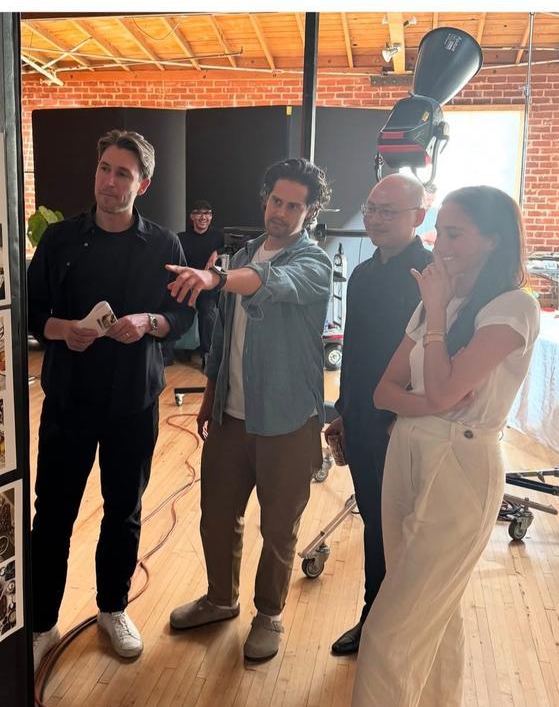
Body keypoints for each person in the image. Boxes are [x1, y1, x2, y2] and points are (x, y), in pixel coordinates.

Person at [340, 185, 540, 707]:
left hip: (462, 466)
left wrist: (431, 324)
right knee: (437, 610)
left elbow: (448, 390)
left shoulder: (513, 307)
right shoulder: (444, 301)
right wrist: (429, 394)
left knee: (389, 629)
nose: (440, 244)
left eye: (454, 233)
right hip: (409, 450)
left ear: (492, 240)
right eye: (440, 231)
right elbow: (384, 390)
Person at [28, 128, 193, 670]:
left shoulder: (165, 246)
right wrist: (63, 329)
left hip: (133, 402)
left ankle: (113, 609)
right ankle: (42, 622)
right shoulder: (59, 240)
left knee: (124, 509)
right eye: (104, 168)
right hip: (68, 400)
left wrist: (149, 321)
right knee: (52, 513)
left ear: (142, 185)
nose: (109, 181)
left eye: (123, 173)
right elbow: (32, 311)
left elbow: (183, 316)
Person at [167, 157, 332, 663]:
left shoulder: (313, 263)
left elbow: (270, 282)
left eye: (294, 206)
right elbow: (222, 338)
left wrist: (216, 278)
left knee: (279, 526)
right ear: (265, 199)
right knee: (217, 516)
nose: (281, 212)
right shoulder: (242, 254)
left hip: (287, 420)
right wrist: (210, 395)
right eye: (276, 200)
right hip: (230, 417)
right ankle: (221, 599)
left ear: (310, 212)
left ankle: (269, 614)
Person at [326, 174, 431, 657]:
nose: (375, 218)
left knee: (406, 527)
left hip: (406, 423)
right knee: (375, 520)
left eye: (388, 210)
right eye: (371, 208)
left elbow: (433, 358)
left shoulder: (431, 276)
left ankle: (403, 628)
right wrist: (344, 412)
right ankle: (374, 617)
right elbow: (354, 351)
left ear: (418, 216)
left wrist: (399, 416)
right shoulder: (364, 273)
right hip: (364, 419)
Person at [165, 202, 225, 368]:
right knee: (172, 308)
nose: (203, 217)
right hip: (187, 285)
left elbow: (230, 246)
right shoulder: (181, 238)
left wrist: (217, 252)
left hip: (207, 288)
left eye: (207, 213)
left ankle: (208, 357)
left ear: (211, 217)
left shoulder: (218, 236)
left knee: (207, 312)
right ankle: (165, 355)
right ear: (191, 217)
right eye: (198, 213)